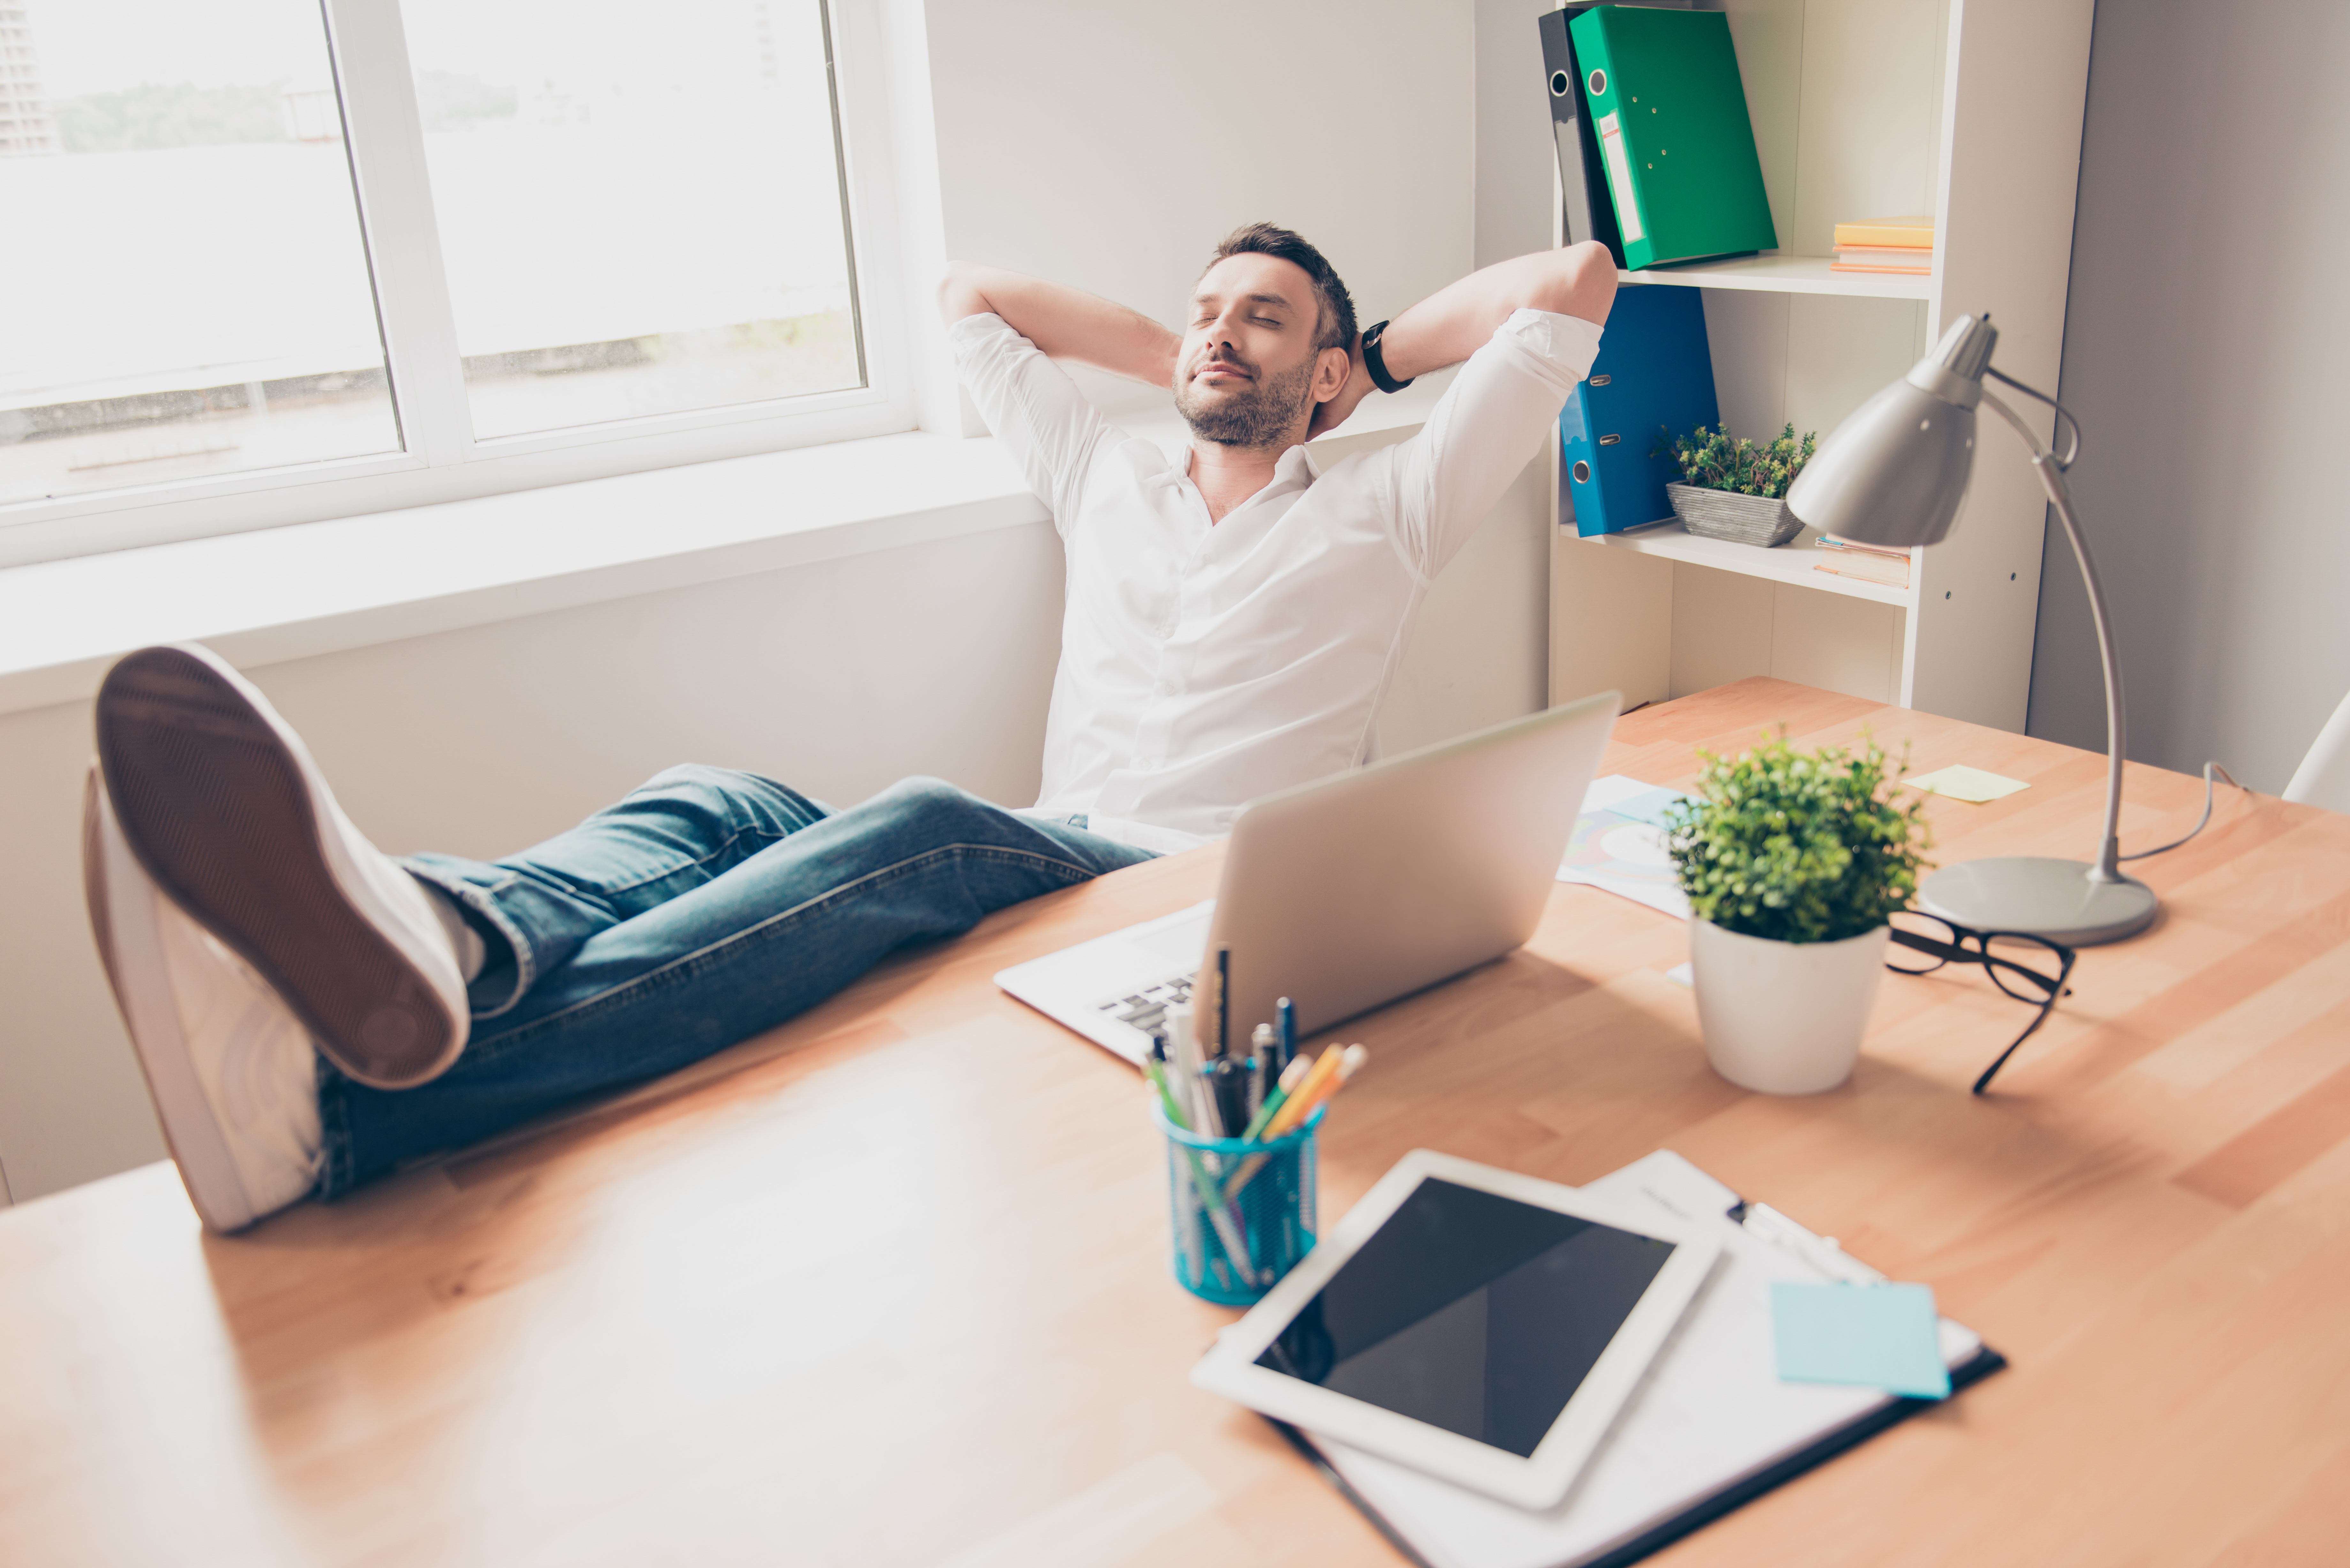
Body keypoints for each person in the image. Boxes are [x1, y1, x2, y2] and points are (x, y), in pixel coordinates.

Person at [83, 223, 1615, 1232]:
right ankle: (453, 929)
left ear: (1331, 367)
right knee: (722, 792)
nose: (1222, 336)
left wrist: (1367, 366)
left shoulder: (1391, 503)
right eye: (1209, 314)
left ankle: (338, 1111)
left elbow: (1575, 279)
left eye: (1263, 323)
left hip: (1195, 892)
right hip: (1067, 843)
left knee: (920, 825)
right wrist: (1189, 344)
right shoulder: (1111, 474)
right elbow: (973, 296)